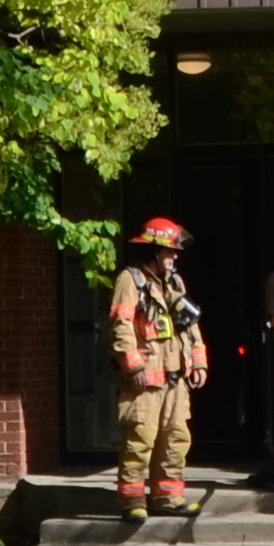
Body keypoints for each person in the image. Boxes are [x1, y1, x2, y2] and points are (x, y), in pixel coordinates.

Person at [109, 217, 205, 517]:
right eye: (169, 252)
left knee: (176, 439)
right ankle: (133, 503)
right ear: (153, 251)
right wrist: (134, 367)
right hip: (145, 383)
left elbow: (190, 325)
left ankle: (167, 499)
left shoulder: (175, 282)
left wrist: (199, 361)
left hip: (176, 382)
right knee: (140, 442)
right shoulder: (131, 280)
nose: (174, 257)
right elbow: (120, 326)